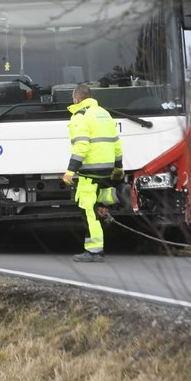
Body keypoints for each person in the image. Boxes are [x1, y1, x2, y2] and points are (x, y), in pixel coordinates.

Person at [62, 83, 123, 262]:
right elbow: (117, 143)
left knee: (88, 211)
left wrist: (70, 171)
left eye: (73, 98)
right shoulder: (104, 113)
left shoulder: (80, 116)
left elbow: (81, 145)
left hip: (90, 172)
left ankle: (94, 251)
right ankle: (98, 247)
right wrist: (118, 168)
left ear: (77, 98)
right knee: (98, 208)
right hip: (107, 170)